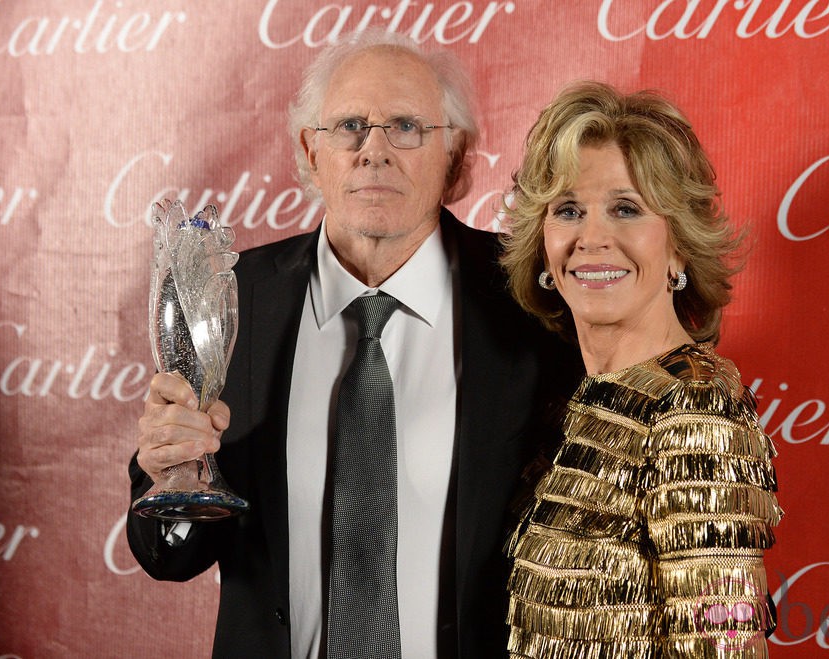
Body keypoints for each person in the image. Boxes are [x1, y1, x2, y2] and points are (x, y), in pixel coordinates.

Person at [127, 30, 577, 658]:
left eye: (406, 127)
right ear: (311, 151)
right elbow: (168, 558)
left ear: (457, 156)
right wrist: (169, 474)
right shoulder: (230, 299)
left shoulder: (535, 301)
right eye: (349, 127)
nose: (374, 151)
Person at [499, 81, 784, 657]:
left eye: (626, 209)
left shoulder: (697, 411)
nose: (592, 237)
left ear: (678, 246)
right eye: (569, 210)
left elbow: (722, 644)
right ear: (543, 245)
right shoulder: (580, 403)